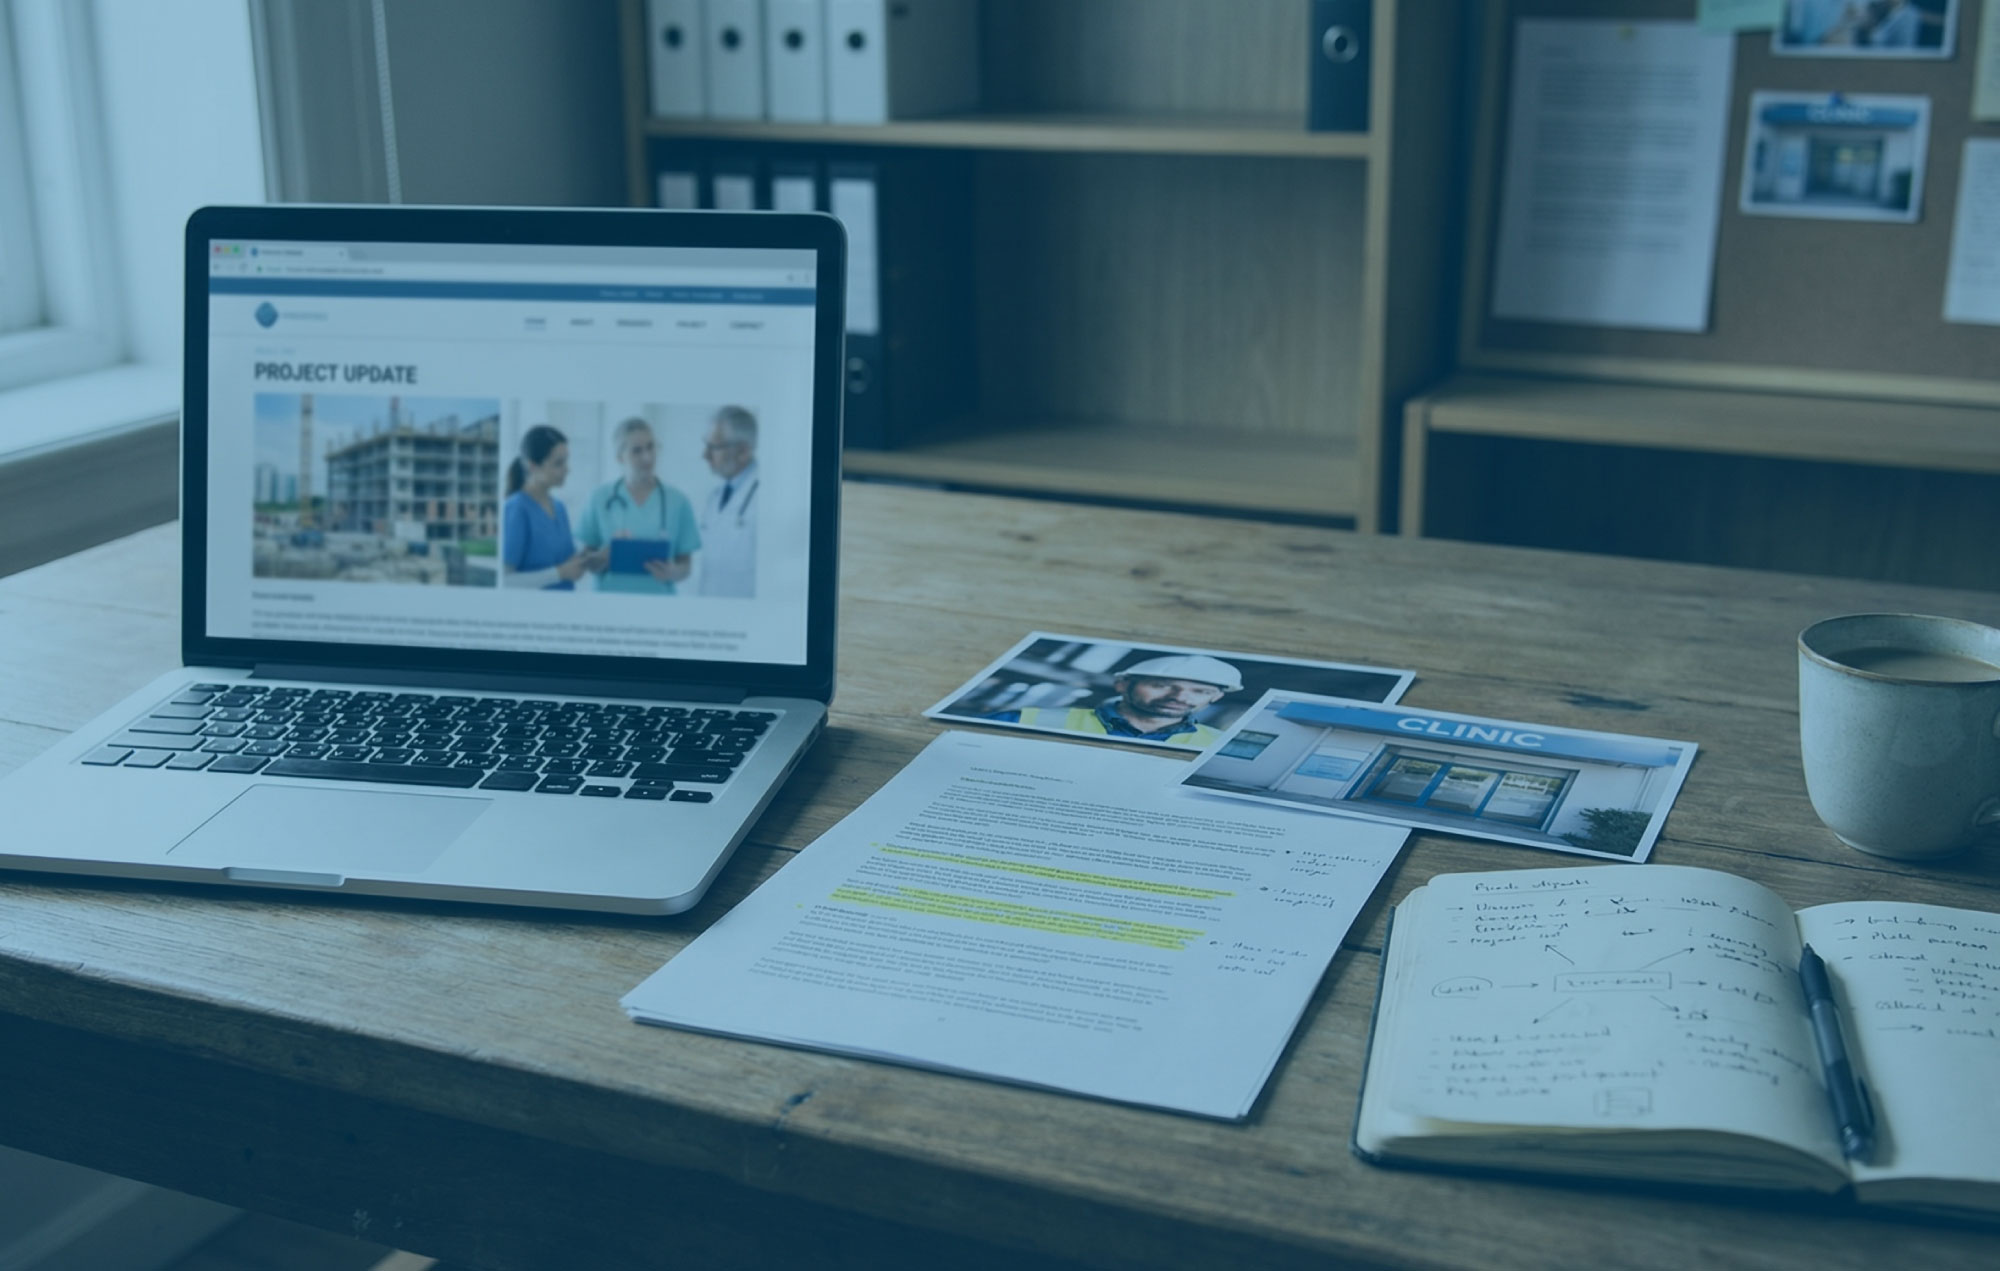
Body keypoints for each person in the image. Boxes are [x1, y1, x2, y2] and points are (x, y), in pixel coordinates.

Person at [983, 655, 1244, 747]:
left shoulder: (1218, 746)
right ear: (1122, 684)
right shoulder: (1022, 720)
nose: (1179, 697)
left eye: (1200, 691)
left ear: (1216, 697)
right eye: (1161, 685)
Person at [574, 416, 701, 595]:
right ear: (620, 457)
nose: (647, 457)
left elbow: (686, 566)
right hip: (608, 603)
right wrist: (602, 557)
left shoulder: (678, 501)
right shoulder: (599, 498)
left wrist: (673, 572)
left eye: (651, 447)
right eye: (637, 451)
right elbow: (585, 561)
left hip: (659, 603)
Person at [501, 425, 601, 590]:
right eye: (558, 463)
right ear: (533, 466)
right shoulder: (516, 509)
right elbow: (505, 581)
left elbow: (565, 563)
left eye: (566, 461)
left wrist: (589, 556)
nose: (567, 469)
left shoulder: (559, 508)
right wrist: (559, 574)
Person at [695, 406, 758, 598]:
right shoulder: (715, 496)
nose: (704, 455)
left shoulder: (766, 498)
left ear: (742, 451)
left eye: (713, 447)